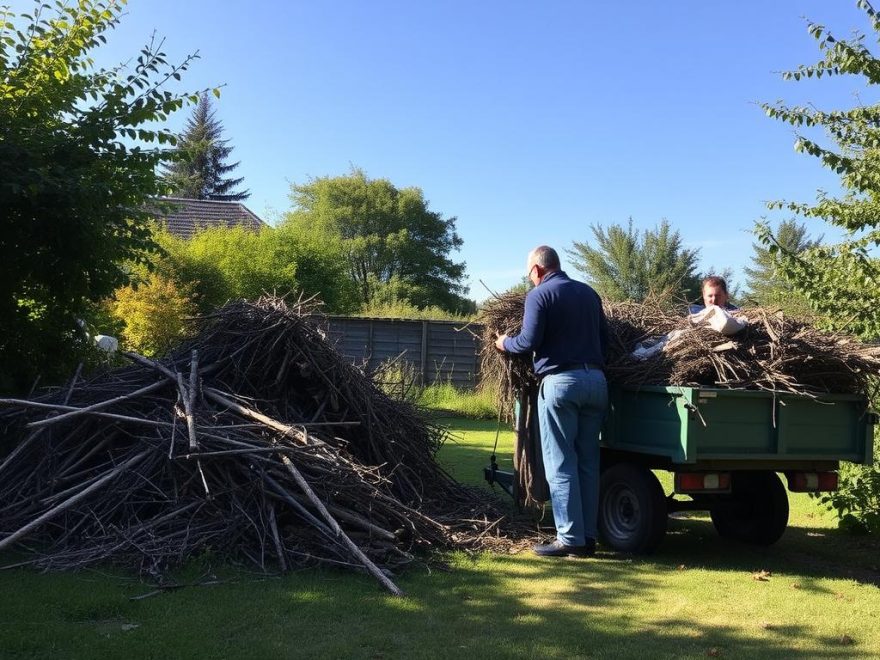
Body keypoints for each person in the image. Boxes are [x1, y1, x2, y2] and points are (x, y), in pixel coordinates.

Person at [494, 245, 608, 558]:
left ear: (537, 270)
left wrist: (505, 343)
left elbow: (528, 342)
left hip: (561, 384)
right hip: (597, 382)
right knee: (588, 462)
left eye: (529, 274)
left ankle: (569, 539)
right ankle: (588, 537)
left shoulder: (540, 295)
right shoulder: (589, 293)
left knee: (561, 462)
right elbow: (606, 341)